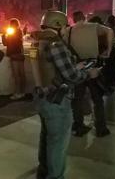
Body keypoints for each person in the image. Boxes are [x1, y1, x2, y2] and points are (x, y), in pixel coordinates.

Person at [32, 11, 100, 179]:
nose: (65, 30)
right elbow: (72, 77)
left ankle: (44, 171)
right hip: (58, 100)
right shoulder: (56, 44)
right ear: (58, 26)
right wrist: (88, 73)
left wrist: (75, 67)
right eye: (64, 27)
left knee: (47, 137)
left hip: (42, 97)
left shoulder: (37, 42)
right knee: (58, 143)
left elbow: (51, 68)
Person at [64, 10, 113, 137]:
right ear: (84, 17)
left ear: (73, 20)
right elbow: (110, 31)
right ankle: (101, 128)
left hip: (78, 68)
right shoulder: (94, 27)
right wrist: (108, 50)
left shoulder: (68, 31)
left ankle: (79, 126)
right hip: (93, 68)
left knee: (77, 99)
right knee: (97, 100)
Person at [2, 18, 31, 101]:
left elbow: (5, 43)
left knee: (16, 75)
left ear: (11, 25)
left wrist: (4, 35)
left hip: (14, 55)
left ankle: (17, 93)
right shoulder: (20, 32)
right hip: (20, 54)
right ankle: (23, 92)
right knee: (22, 74)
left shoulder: (12, 33)